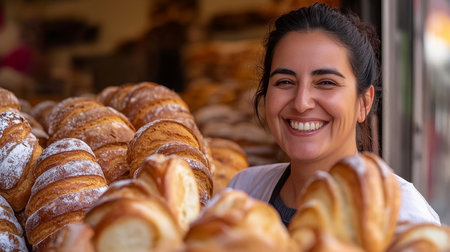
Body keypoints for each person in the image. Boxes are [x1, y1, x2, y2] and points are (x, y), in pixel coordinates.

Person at [227, 3, 440, 226]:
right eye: (285, 82)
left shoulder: (402, 217)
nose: (301, 103)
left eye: (326, 83)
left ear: (364, 103)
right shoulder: (244, 192)